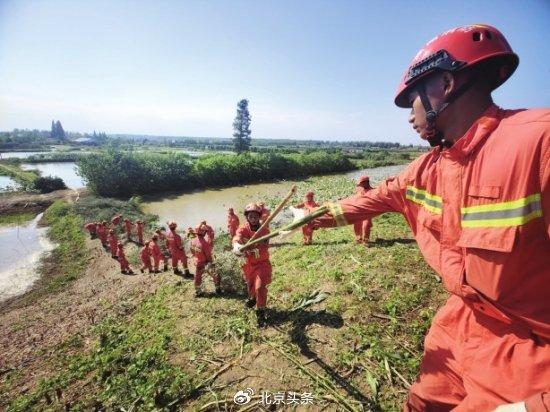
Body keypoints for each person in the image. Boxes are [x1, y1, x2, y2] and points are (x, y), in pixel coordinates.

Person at [311, 24, 549, 411]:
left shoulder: (538, 144)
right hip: (458, 326)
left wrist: (535, 406)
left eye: (412, 102)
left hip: (529, 362)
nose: (410, 117)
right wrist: (307, 217)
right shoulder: (429, 169)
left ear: (446, 85)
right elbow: (370, 201)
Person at [232, 203, 272, 328]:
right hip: (249, 264)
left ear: (259, 217)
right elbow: (237, 237)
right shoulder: (243, 229)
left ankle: (260, 312)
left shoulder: (265, 230)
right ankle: (252, 298)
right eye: (251, 216)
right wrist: (236, 245)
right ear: (247, 217)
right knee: (250, 284)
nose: (253, 219)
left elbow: (265, 245)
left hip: (262, 263)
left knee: (260, 287)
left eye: (255, 216)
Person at [190, 223, 220, 297]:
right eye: (205, 231)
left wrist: (196, 257)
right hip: (205, 263)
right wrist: (211, 262)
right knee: (216, 275)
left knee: (197, 278)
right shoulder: (204, 243)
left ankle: (198, 292)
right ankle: (218, 290)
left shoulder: (193, 241)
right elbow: (208, 256)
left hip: (198, 263)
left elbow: (192, 251)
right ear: (204, 232)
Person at [353, 175, 373, 246]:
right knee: (356, 223)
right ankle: (359, 238)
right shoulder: (359, 188)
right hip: (358, 208)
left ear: (366, 183)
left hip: (367, 210)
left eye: (361, 183)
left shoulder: (372, 191)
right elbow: (355, 196)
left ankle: (366, 240)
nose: (360, 184)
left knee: (366, 224)